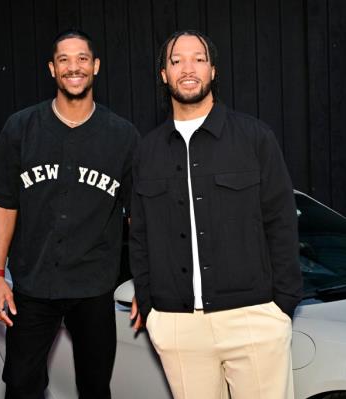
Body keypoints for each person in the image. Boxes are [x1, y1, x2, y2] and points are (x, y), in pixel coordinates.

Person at [129, 30, 302, 399]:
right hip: (178, 327)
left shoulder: (255, 138)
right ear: (164, 75)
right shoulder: (147, 151)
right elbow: (139, 234)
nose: (187, 68)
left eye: (198, 59)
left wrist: (280, 308)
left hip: (254, 320)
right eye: (176, 61)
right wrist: (150, 305)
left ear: (213, 71)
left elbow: (282, 223)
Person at [0, 29, 139, 399]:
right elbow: (4, 204)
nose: (73, 67)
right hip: (33, 286)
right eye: (64, 60)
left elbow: (138, 216)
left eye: (82, 58)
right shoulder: (20, 128)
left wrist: (145, 281)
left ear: (95, 66)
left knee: (95, 388)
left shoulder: (123, 136)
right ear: (52, 69)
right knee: (20, 385)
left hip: (94, 288)